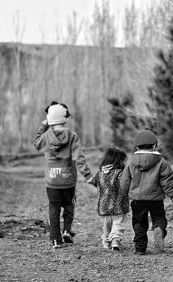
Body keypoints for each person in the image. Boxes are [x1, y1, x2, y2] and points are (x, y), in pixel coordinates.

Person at [32, 101, 93, 249]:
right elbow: (79, 157)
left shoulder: (46, 136)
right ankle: (66, 230)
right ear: (65, 118)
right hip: (68, 180)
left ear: (50, 119)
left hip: (52, 180)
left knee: (54, 208)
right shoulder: (72, 136)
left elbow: (36, 143)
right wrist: (88, 175)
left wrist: (44, 125)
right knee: (69, 205)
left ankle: (55, 239)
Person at [118, 129, 173, 255]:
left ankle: (140, 248)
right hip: (156, 198)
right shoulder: (161, 162)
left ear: (137, 146)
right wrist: (172, 196)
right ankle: (159, 229)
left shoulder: (131, 163)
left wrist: (123, 195)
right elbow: (167, 179)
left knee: (139, 222)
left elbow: (125, 181)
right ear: (155, 145)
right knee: (159, 217)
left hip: (138, 199)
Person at [88, 147, 129, 251]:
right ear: (118, 160)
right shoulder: (120, 173)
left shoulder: (99, 173)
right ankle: (115, 240)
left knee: (107, 225)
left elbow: (92, 181)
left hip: (104, 205)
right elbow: (124, 185)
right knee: (118, 223)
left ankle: (106, 242)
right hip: (118, 204)